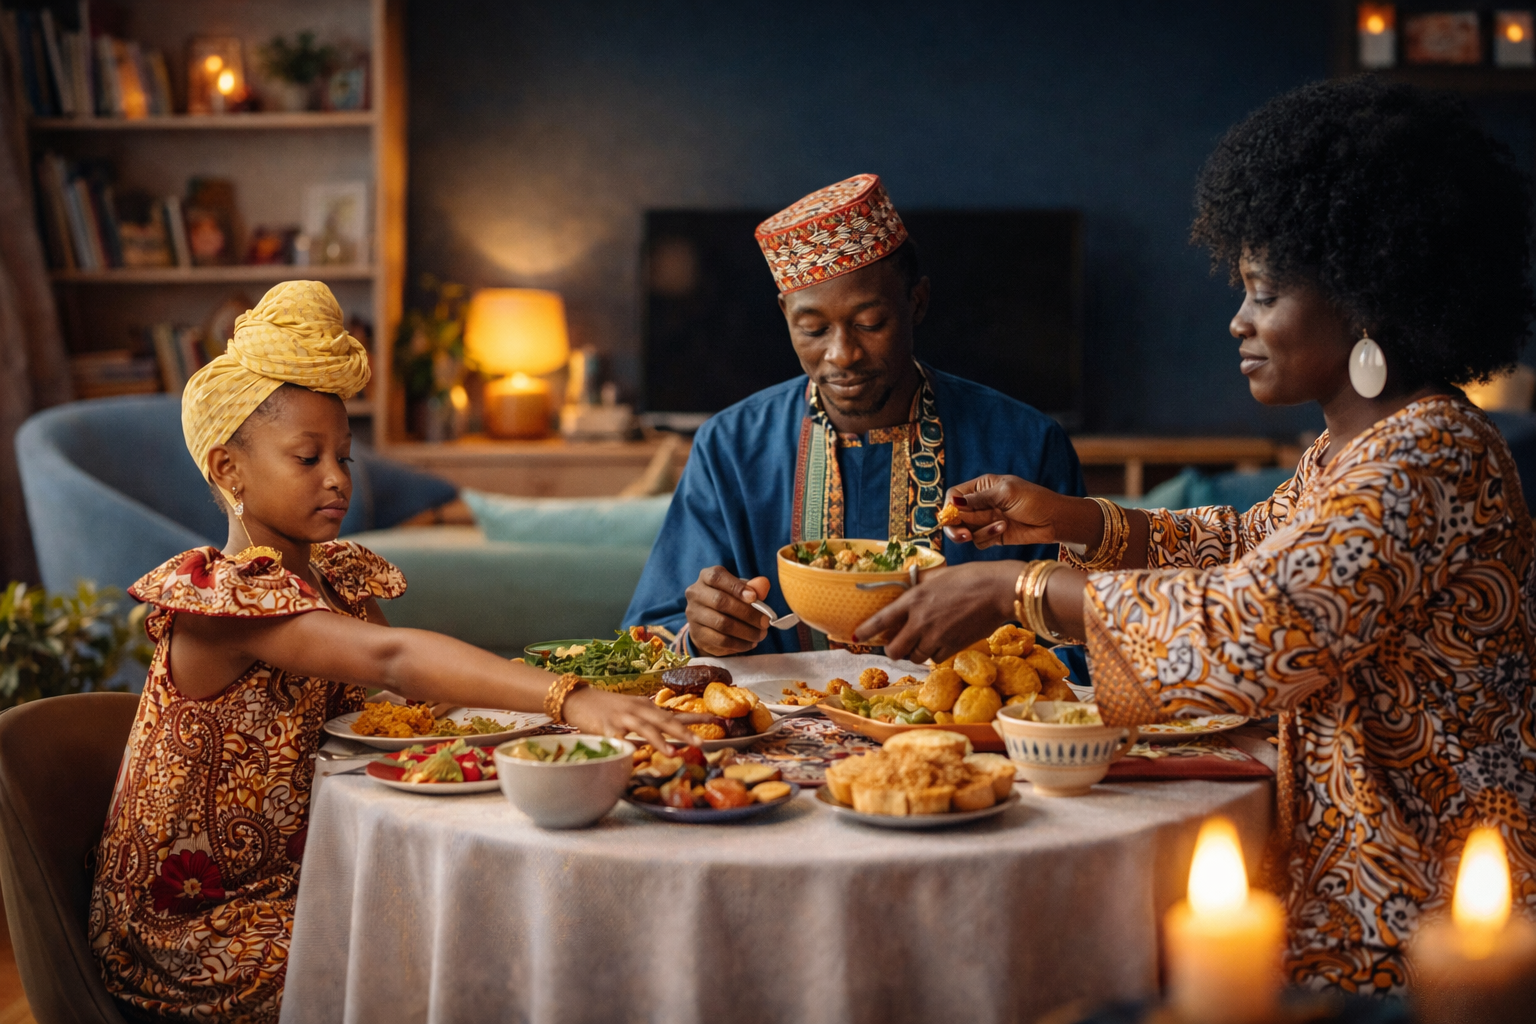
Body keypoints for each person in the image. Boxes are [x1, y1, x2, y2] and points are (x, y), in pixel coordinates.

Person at [858, 78, 1536, 994]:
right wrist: (1076, 521)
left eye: (1262, 293)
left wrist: (1013, 590)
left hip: (1434, 929)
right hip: (1358, 898)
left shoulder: (1429, 453)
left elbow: (1259, 625)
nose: (1238, 321)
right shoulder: (1362, 446)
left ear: (1365, 296)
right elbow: (1246, 541)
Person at [88, 282, 700, 1022]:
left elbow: (413, 705)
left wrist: (553, 733)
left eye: (344, 456)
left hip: (302, 881)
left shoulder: (334, 575)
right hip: (198, 932)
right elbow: (392, 660)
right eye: (307, 458)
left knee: (494, 923)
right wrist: (568, 694)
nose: (338, 478)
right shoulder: (224, 603)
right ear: (228, 470)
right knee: (456, 953)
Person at [623, 174, 1085, 661]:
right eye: (814, 329)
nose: (841, 354)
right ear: (786, 316)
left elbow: (1095, 634)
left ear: (917, 302)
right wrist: (702, 632)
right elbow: (650, 638)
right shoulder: (732, 446)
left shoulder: (1027, 444)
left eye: (870, 323)